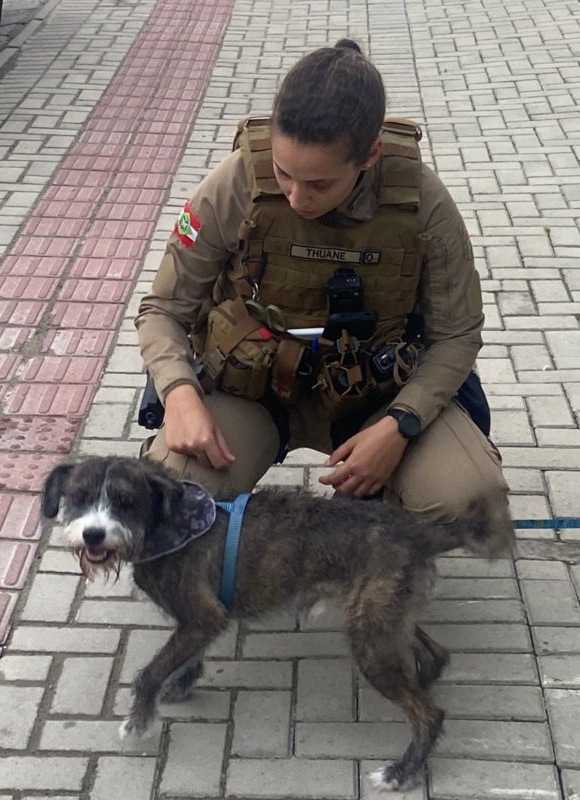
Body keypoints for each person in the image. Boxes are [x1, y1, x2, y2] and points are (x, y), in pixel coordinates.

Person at [135, 39, 510, 529]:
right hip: (255, 392)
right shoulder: (236, 182)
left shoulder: (422, 202)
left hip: (375, 395)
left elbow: (457, 335)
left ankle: (371, 518)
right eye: (284, 174)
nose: (295, 198)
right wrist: (180, 394)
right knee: (168, 497)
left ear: (370, 154)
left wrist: (402, 424)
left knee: (473, 503)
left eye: (319, 185)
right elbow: (163, 309)